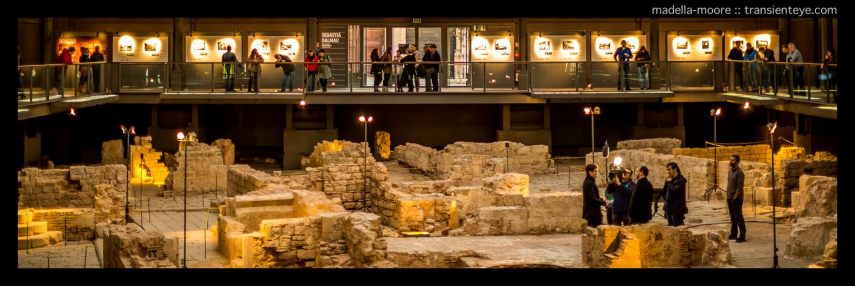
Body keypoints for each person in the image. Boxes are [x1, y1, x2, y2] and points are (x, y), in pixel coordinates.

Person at [726, 155, 746, 242]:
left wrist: (735, 198)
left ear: (737, 162)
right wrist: (728, 196)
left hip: (736, 198)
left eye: (733, 160)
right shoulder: (730, 172)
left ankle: (742, 235)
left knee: (738, 217)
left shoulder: (740, 173)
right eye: (730, 160)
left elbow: (739, 187)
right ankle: (733, 233)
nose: (730, 161)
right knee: (732, 217)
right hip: (730, 197)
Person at [663, 162, 687, 226]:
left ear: (675, 169)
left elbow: (675, 191)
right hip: (668, 208)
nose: (668, 171)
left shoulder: (681, 180)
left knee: (678, 226)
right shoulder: (668, 179)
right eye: (667, 170)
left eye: (669, 169)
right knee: (669, 226)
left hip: (677, 210)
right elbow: (664, 191)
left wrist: (669, 183)